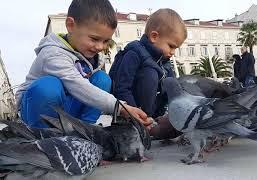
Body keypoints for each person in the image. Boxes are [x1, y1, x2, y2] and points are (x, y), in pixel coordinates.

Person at [15, 0, 151, 128]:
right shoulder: (53, 53)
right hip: (36, 110)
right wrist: (120, 107)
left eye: (105, 41)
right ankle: (43, 135)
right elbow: (78, 86)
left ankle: (84, 128)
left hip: (65, 109)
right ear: (71, 25)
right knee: (48, 87)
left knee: (102, 79)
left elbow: (87, 90)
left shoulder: (90, 55)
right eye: (94, 39)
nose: (99, 46)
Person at [109, 8, 187, 139]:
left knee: (171, 83)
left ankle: (154, 123)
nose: (173, 52)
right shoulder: (133, 54)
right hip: (131, 110)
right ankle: (141, 124)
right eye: (171, 46)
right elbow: (121, 87)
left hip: (154, 112)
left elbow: (171, 90)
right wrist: (134, 112)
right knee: (150, 73)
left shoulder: (164, 61)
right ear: (154, 36)